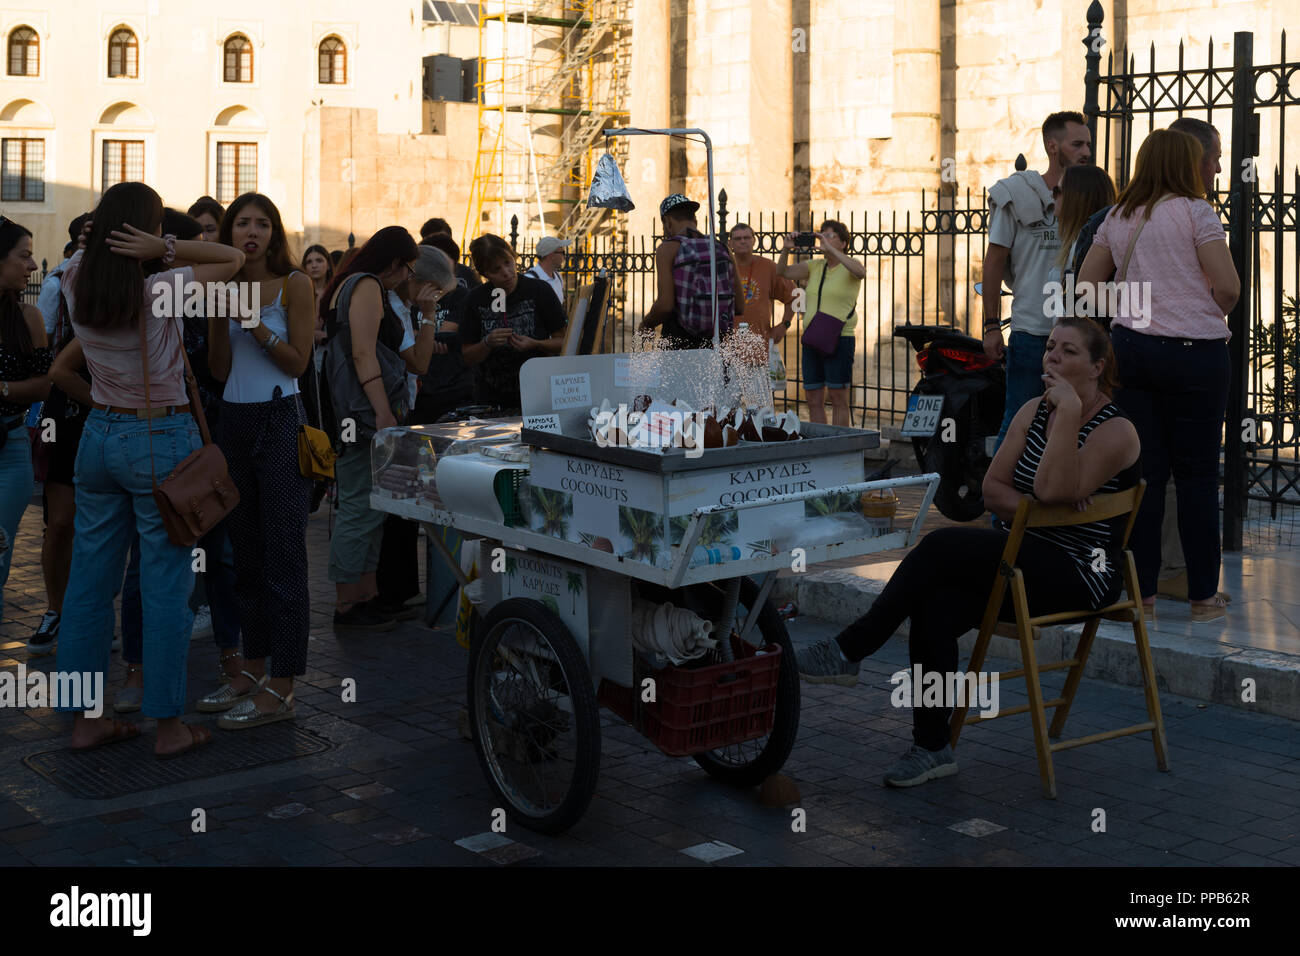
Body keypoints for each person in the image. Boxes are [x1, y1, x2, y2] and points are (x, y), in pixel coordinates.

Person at [797, 318, 1140, 786]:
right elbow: (993, 490)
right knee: (934, 607)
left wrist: (1068, 414)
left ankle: (852, 647)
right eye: (1051, 348)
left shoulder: (1117, 430)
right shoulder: (1031, 411)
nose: (1053, 357)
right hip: (1024, 555)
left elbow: (1048, 484)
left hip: (1082, 572)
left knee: (940, 544)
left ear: (1098, 366)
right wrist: (1046, 506)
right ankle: (932, 748)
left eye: (1069, 352)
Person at [55, 181, 244, 757]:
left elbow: (86, 253)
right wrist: (163, 249)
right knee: (166, 588)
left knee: (88, 588)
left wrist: (97, 241)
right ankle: (168, 727)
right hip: (159, 434)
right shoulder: (160, 286)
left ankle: (85, 720)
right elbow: (232, 258)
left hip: (100, 435)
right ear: (141, 233)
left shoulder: (72, 275)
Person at [1077, 128, 1238, 624]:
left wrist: (1136, 310)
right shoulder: (1196, 213)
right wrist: (1193, 311)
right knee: (1196, 477)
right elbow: (1229, 289)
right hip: (1196, 356)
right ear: (1186, 165)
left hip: (1133, 352)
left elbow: (1085, 289)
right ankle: (1203, 596)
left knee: (1145, 477)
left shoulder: (1118, 217)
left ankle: (1140, 595)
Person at [198, 193, 316, 727]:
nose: (252, 231)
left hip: (278, 416)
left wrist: (256, 324)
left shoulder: (295, 283)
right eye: (242, 223)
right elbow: (219, 371)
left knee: (284, 553)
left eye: (262, 223)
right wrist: (223, 318)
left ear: (275, 232)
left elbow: (297, 362)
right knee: (243, 551)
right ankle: (250, 668)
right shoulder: (222, 283)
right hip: (234, 419)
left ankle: (285, 682)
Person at [321, 226, 420, 630]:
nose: (408, 278)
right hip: (362, 413)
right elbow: (363, 352)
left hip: (355, 411)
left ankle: (365, 594)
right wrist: (382, 410)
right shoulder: (364, 286)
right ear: (395, 263)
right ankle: (347, 602)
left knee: (369, 505)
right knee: (360, 505)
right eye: (408, 269)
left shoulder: (349, 283)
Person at [984, 110, 1093, 450]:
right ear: (1052, 146)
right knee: (1020, 420)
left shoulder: (1092, 196)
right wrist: (990, 326)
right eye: (1077, 144)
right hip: (1033, 332)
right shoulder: (1016, 195)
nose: (1086, 152)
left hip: (1082, 336)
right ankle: (1002, 501)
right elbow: (993, 262)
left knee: (1076, 425)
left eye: (1088, 144)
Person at [373, 244, 460, 617]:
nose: (437, 301)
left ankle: (402, 588)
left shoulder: (398, 306)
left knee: (402, 506)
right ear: (422, 284)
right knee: (396, 505)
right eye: (436, 293)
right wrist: (429, 315)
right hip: (394, 410)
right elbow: (421, 363)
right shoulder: (395, 308)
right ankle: (392, 590)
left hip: (403, 405)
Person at [29, 213, 91, 652]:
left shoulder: (139, 280)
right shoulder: (58, 281)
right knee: (61, 521)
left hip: (116, 406)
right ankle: (56, 608)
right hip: (66, 406)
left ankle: (91, 612)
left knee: (103, 526)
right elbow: (46, 350)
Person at [0, 217, 50, 626]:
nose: (31, 266)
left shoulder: (28, 318)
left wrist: (2, 390)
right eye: (24, 255)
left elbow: (43, 385)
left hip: (9, 449)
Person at [457, 233, 567, 412]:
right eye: (496, 270)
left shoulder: (539, 290)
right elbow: (467, 356)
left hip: (538, 394)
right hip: (491, 399)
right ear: (484, 273)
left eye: (508, 263)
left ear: (513, 257)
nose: (506, 273)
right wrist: (487, 343)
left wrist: (535, 344)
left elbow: (564, 342)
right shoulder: (475, 299)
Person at [776, 220, 864, 426]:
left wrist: (834, 253)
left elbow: (861, 273)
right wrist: (785, 249)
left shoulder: (851, 265)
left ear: (843, 243)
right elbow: (783, 272)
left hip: (840, 337)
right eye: (822, 234)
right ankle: (821, 443)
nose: (824, 238)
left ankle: (840, 445)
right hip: (813, 338)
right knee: (813, 397)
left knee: (837, 397)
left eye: (830, 235)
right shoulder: (815, 266)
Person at [641, 194, 743, 349]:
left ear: (667, 222)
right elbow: (740, 306)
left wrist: (646, 323)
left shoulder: (667, 249)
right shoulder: (722, 249)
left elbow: (665, 305)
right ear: (695, 221)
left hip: (679, 346)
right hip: (717, 346)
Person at [414, 233, 476, 423]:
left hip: (455, 386)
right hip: (421, 388)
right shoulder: (413, 294)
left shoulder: (462, 295)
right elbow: (406, 334)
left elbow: (448, 333)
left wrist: (424, 337)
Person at [730, 222, 795, 341]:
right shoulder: (723, 268)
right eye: (738, 238)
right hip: (727, 345)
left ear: (754, 241)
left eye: (747, 238)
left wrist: (784, 325)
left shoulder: (769, 267)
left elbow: (795, 296)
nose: (743, 241)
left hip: (761, 344)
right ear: (731, 243)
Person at [1054, 165, 1117, 290]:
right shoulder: (1075, 239)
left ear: (1076, 197)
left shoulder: (1091, 245)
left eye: (1058, 191)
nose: (1053, 196)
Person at [525, 236, 569, 306]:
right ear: (551, 255)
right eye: (562, 252)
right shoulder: (530, 279)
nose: (564, 256)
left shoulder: (558, 276)